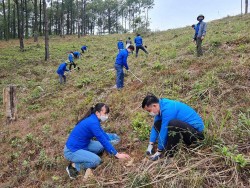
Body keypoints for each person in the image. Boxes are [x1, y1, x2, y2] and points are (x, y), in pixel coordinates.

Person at [64, 103, 130, 179]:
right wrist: (117, 155)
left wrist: (111, 139)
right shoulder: (93, 123)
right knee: (96, 161)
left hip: (83, 145)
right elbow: (102, 140)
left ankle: (85, 156)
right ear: (97, 113)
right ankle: (73, 166)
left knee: (100, 147)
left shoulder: (94, 119)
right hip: (72, 150)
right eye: (105, 113)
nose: (106, 116)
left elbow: (103, 134)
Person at [142, 94, 205, 161]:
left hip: (196, 135)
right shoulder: (160, 106)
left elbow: (164, 130)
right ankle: (167, 146)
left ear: (154, 105)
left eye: (149, 110)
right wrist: (150, 145)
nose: (149, 113)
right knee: (158, 123)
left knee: (173, 123)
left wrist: (159, 151)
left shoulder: (168, 108)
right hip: (185, 130)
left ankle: (169, 155)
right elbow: (155, 126)